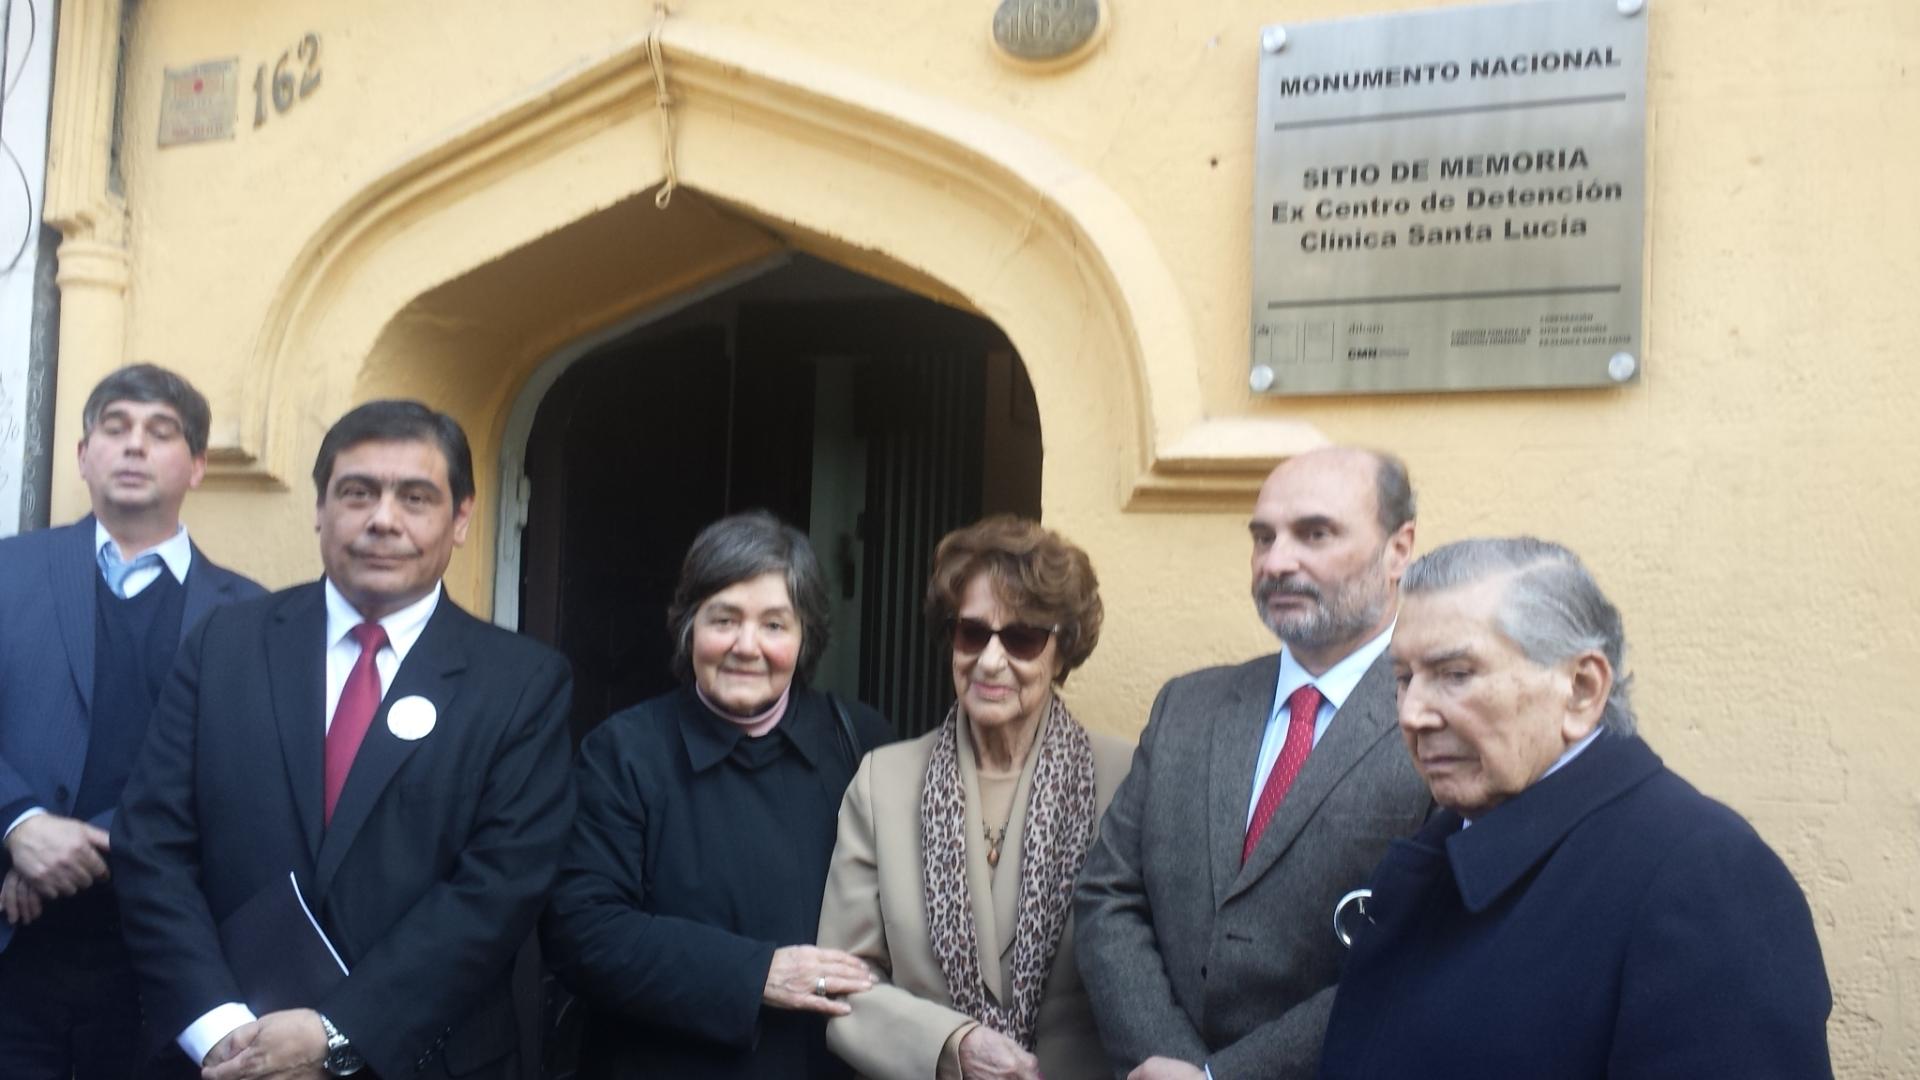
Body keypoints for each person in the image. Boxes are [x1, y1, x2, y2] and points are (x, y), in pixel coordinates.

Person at [113, 399, 576, 1080]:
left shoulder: (523, 683)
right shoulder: (225, 646)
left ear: (463, 518)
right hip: (225, 1061)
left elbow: (498, 889)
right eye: (357, 493)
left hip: (423, 1060)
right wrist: (222, 1030)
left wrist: (335, 1034)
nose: (382, 519)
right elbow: (151, 844)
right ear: (320, 509)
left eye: (415, 497)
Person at [1319, 537, 1833, 1078]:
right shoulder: (1440, 849)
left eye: (1456, 675)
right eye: (1404, 679)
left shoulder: (1704, 877)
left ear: (1582, 689)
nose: (1413, 714)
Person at [1074, 446, 1433, 1080]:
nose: (1277, 562)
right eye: (1263, 537)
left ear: (1398, 548)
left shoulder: (1436, 722)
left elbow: (1418, 952)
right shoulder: (1187, 706)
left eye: (1314, 534)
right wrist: (1173, 1065)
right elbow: (1110, 897)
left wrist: (1222, 1079)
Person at [541, 511, 892, 1079]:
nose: (746, 647)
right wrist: (757, 974)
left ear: (806, 638)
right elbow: (582, 932)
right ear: (688, 628)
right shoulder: (624, 752)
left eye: (775, 625)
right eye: (723, 619)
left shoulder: (860, 741)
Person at [0, 364, 263, 1077]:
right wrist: (20, 824)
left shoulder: (251, 617)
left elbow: (246, 773)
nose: (134, 447)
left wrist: (82, 848)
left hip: (165, 969)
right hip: (14, 953)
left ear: (199, 466)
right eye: (114, 429)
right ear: (83, 456)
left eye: (160, 432)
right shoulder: (8, 572)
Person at [818, 516, 1133, 1080]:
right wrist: (951, 1047)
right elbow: (844, 981)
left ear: (1062, 651)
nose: (990, 660)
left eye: (1022, 637)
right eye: (972, 633)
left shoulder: (1128, 781)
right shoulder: (883, 782)